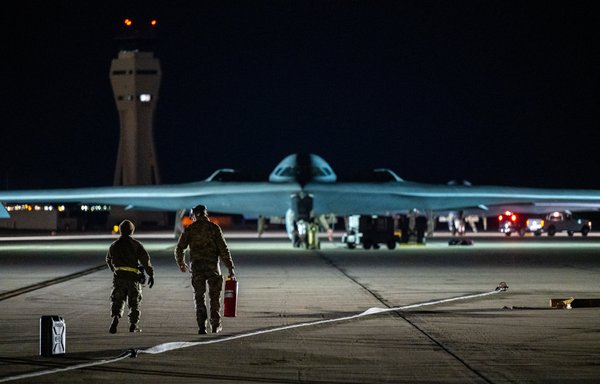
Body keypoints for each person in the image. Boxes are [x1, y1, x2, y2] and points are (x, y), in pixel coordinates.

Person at [175, 204, 235, 334]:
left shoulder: (190, 229)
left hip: (197, 269)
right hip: (213, 268)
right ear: (205, 214)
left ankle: (201, 326)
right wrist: (230, 267)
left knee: (199, 297)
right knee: (215, 297)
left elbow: (180, 248)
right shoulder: (214, 228)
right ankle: (215, 325)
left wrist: (181, 263)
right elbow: (223, 249)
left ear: (194, 215)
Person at [106, 219, 154, 333]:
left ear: (120, 231)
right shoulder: (136, 245)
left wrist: (114, 270)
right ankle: (133, 325)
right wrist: (151, 274)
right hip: (133, 278)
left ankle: (115, 319)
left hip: (119, 277)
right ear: (132, 231)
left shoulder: (114, 245)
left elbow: (108, 259)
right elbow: (145, 260)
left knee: (117, 300)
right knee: (134, 302)